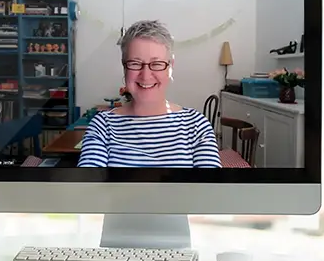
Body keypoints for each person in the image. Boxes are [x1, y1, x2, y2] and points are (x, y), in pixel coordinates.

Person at [78, 20, 221, 167]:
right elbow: (90, 187)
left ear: (170, 67)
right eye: (135, 63)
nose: (145, 76)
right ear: (124, 67)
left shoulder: (197, 125)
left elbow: (209, 189)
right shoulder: (103, 126)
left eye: (157, 64)